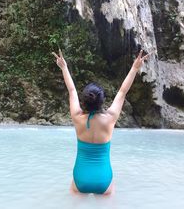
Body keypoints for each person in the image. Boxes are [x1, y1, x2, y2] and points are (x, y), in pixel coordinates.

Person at [52, 49, 150, 195]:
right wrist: (135, 68)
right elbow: (122, 92)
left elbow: (72, 91)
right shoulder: (110, 118)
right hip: (103, 179)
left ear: (84, 101)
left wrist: (64, 67)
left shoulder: (77, 117)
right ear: (102, 101)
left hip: (81, 178)